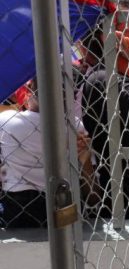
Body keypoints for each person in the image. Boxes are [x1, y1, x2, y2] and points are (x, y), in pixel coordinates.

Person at [1, 81, 93, 228]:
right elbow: (92, 190)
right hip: (62, 197)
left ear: (30, 91)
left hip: (18, 200)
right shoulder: (73, 125)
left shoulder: (6, 121)